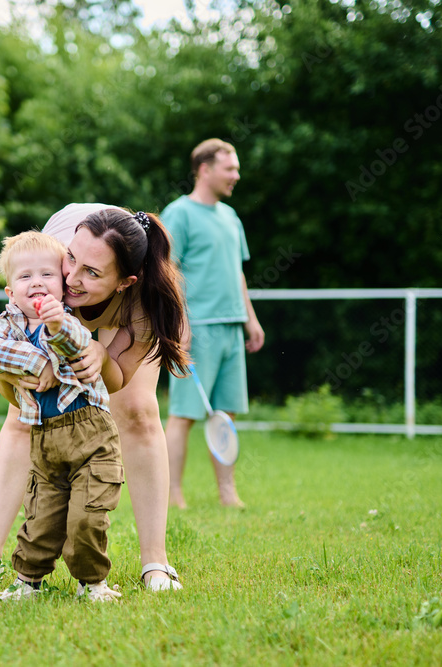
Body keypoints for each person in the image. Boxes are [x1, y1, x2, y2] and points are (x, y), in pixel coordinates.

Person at [0, 205, 190, 591]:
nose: (70, 278)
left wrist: (101, 356)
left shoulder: (143, 301)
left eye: (91, 272)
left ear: (123, 282)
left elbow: (115, 380)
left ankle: (156, 562)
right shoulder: (50, 270)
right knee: (23, 417)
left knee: (137, 411)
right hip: (55, 312)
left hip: (118, 309)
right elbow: (5, 370)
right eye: (70, 260)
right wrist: (25, 374)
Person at [0, 231, 123, 601]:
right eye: (25, 276)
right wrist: (34, 361)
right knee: (40, 516)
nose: (37, 283)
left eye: (47, 274)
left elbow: (75, 344)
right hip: (44, 437)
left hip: (91, 433)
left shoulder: (69, 320)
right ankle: (27, 582)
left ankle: (92, 583)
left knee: (87, 515)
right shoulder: (8, 326)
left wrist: (56, 326)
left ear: (63, 284)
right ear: (11, 292)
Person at [161, 138, 265, 509]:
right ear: (205, 170)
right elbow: (167, 271)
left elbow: (237, 272)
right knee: (184, 415)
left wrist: (250, 319)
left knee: (226, 415)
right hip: (197, 329)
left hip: (232, 327)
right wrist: (180, 324)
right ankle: (172, 494)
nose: (236, 175)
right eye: (230, 168)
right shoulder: (179, 213)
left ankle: (227, 493)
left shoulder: (231, 216)